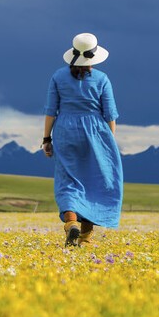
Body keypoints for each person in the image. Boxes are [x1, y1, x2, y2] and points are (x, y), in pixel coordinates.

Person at [42, 32, 123, 246]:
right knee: (94, 181)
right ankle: (85, 238)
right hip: (96, 131)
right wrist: (109, 142)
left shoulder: (58, 76)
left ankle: (71, 225)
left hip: (65, 129)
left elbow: (51, 111)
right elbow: (110, 115)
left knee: (68, 180)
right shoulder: (102, 79)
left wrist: (46, 138)